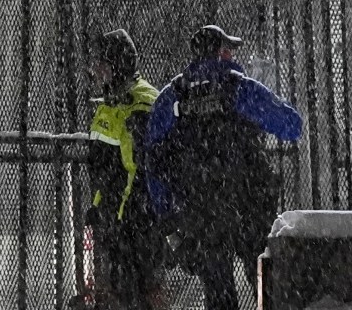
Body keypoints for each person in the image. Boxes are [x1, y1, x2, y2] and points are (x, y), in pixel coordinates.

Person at [148, 25, 302, 310]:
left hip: (201, 209)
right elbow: (292, 125)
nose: (231, 55)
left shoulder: (173, 95)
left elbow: (154, 161)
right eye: (228, 49)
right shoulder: (239, 86)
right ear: (221, 52)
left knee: (217, 287)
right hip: (247, 202)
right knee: (263, 279)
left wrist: (167, 216)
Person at [81, 29, 167, 310]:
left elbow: (138, 168)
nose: (97, 73)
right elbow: (108, 166)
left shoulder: (139, 104)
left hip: (137, 219)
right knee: (121, 291)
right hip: (119, 217)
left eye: (103, 66)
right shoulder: (111, 103)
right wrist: (98, 205)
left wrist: (123, 215)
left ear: (118, 66)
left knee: (140, 291)